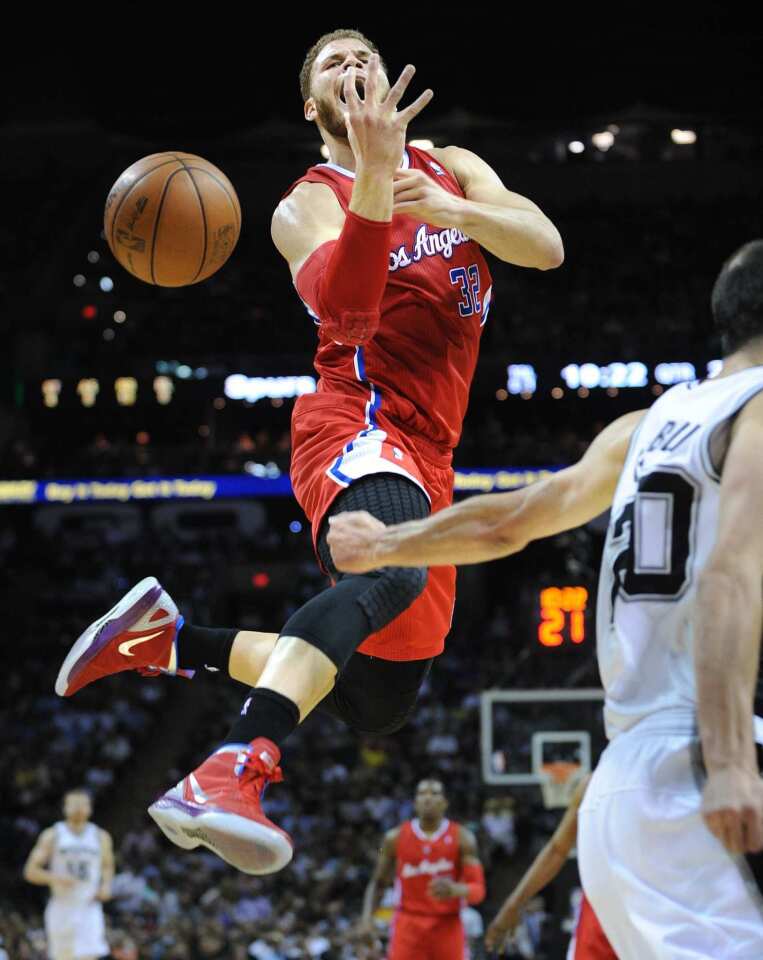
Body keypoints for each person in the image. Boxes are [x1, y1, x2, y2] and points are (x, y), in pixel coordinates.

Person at [54, 28, 562, 876]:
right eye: (333, 62)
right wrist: (370, 181)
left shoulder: (452, 164)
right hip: (355, 423)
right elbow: (347, 314)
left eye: (364, 53)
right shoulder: (308, 202)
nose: (353, 65)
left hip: (432, 453)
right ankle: (231, 769)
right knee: (389, 572)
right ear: (311, 105)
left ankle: (170, 640)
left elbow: (542, 245)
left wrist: (451, 210)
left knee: (378, 700)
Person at [328, 242, 763, 955]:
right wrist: (730, 762)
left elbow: (512, 519)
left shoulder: (645, 424)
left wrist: (386, 543)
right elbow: (727, 577)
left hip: (623, 787)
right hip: (701, 764)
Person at [484, 775, 616, 959]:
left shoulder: (667, 775)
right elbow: (557, 850)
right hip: (602, 913)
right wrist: (513, 905)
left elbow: (557, 850)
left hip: (648, 909)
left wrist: (514, 904)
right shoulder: (594, 784)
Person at [359, 779, 485, 960]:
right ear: (415, 802)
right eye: (422, 793)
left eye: (434, 793)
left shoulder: (463, 837)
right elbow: (378, 882)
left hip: (447, 924)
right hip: (408, 924)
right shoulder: (394, 838)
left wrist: (457, 889)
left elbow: (478, 891)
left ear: (445, 802)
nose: (428, 798)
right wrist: (366, 919)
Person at [23, 789, 114, 960]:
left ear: (90, 809)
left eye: (83, 804)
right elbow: (30, 871)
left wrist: (106, 885)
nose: (78, 808)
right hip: (61, 906)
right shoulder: (53, 835)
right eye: (74, 804)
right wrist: (55, 878)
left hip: (88, 906)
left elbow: (108, 866)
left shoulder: (101, 836)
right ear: (65, 808)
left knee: (90, 956)